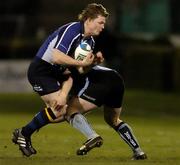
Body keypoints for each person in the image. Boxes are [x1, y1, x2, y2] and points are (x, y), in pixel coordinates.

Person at [12, 3, 147, 160]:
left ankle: (23, 133)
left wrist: (93, 63)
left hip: (60, 74)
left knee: (62, 110)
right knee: (61, 110)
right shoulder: (73, 30)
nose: (103, 26)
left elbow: (78, 71)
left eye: (104, 23)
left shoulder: (89, 42)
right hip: (41, 71)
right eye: (101, 22)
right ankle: (24, 133)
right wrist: (82, 64)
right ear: (89, 20)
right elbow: (56, 56)